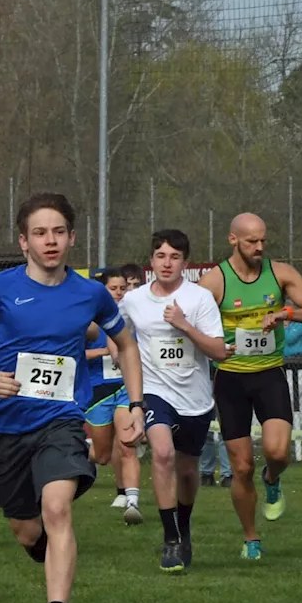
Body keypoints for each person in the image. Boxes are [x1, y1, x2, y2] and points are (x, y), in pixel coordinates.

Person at [0, 192, 144, 603]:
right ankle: (56, 557)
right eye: (39, 233)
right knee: (26, 530)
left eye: (58, 232)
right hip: (7, 429)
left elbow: (126, 346)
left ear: (71, 238)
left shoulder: (90, 293)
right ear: (23, 241)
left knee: (57, 507)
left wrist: (136, 403)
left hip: (62, 421)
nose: (49, 241)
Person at [198, 212, 302, 559]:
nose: (258, 247)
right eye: (250, 241)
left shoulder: (280, 273)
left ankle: (272, 479)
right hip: (230, 379)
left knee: (277, 452)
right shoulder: (214, 282)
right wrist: (211, 345)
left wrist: (286, 314)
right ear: (233, 240)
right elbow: (190, 323)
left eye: (262, 241)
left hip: (269, 374)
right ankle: (251, 538)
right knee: (240, 467)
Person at [120, 229, 228, 573]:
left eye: (175, 257)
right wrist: (120, 359)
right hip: (154, 392)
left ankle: (184, 528)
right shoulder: (134, 300)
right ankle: (170, 540)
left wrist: (185, 326)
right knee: (163, 454)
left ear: (185, 262)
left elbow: (219, 352)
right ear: (151, 261)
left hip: (194, 397)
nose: (167, 263)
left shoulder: (198, 299)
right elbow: (115, 333)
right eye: (161, 256)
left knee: (187, 470)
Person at [84, 269, 143, 524]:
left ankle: (132, 502)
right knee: (103, 455)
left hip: (124, 388)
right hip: (97, 390)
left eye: (122, 288)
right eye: (113, 288)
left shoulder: (133, 319)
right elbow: (76, 355)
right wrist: (104, 354)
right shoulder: (88, 320)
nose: (119, 293)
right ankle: (80, 451)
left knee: (127, 444)